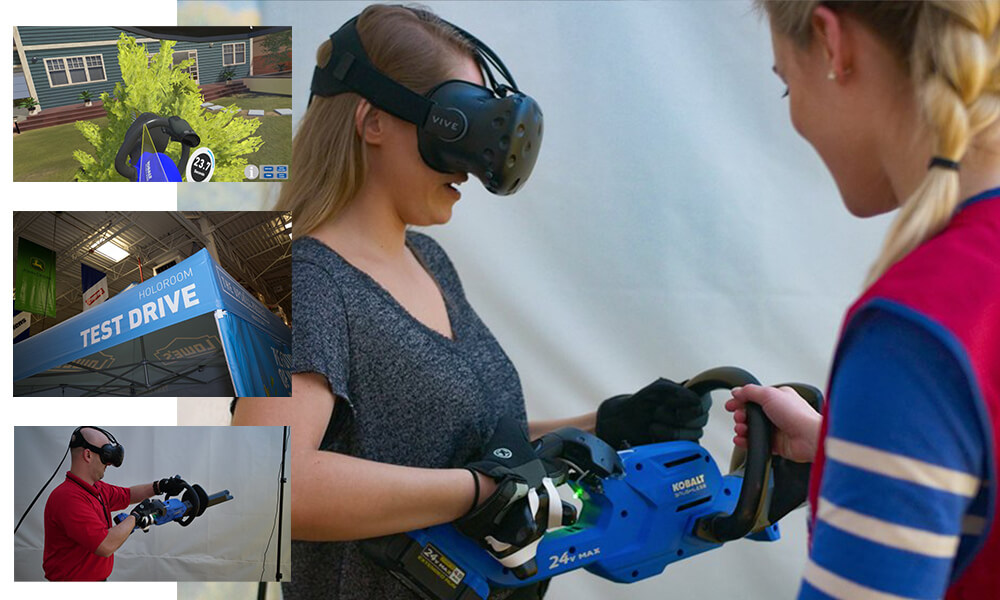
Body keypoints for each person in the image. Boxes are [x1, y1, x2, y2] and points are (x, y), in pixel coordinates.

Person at [231, 4, 709, 600]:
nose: (473, 167)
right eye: (457, 127)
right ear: (373, 120)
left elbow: (471, 450)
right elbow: (271, 481)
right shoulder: (307, 281)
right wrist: (481, 493)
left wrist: (603, 426)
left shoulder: (429, 263)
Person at [725, 2, 1000, 598]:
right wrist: (846, 444)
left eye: (784, 86)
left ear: (832, 45)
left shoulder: (918, 331)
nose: (794, 113)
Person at [42, 426, 189, 581]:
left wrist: (160, 486)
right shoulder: (68, 498)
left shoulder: (96, 488)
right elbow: (105, 545)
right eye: (106, 455)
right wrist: (136, 516)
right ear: (88, 455)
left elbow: (128, 494)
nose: (109, 463)